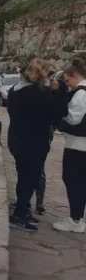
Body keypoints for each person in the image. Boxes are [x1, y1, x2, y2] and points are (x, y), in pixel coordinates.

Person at [7, 59, 67, 232]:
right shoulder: (34, 94)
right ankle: (19, 215)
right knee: (30, 178)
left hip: (18, 139)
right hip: (32, 142)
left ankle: (23, 210)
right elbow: (58, 112)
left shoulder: (15, 90)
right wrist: (59, 91)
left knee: (24, 176)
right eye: (48, 74)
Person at [52, 61, 86, 233]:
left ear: (76, 76)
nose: (67, 84)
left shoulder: (81, 94)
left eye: (68, 80)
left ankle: (76, 220)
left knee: (73, 181)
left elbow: (73, 118)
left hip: (78, 146)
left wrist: (57, 122)